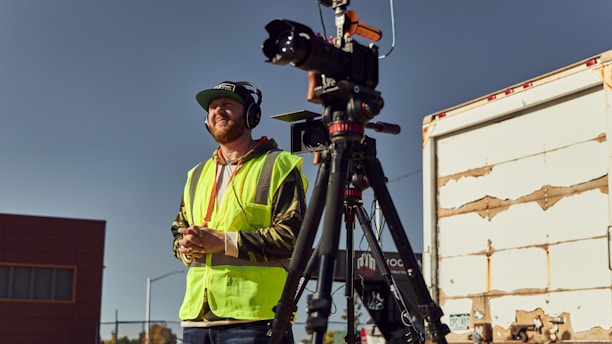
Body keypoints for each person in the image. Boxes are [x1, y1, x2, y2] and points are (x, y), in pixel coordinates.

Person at [170, 81, 308, 344]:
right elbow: (177, 232)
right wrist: (185, 246)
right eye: (212, 107)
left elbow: (292, 237)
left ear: (250, 115)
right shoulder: (196, 174)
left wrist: (222, 242)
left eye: (227, 105)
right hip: (196, 321)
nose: (218, 111)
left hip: (256, 320)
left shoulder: (279, 165)